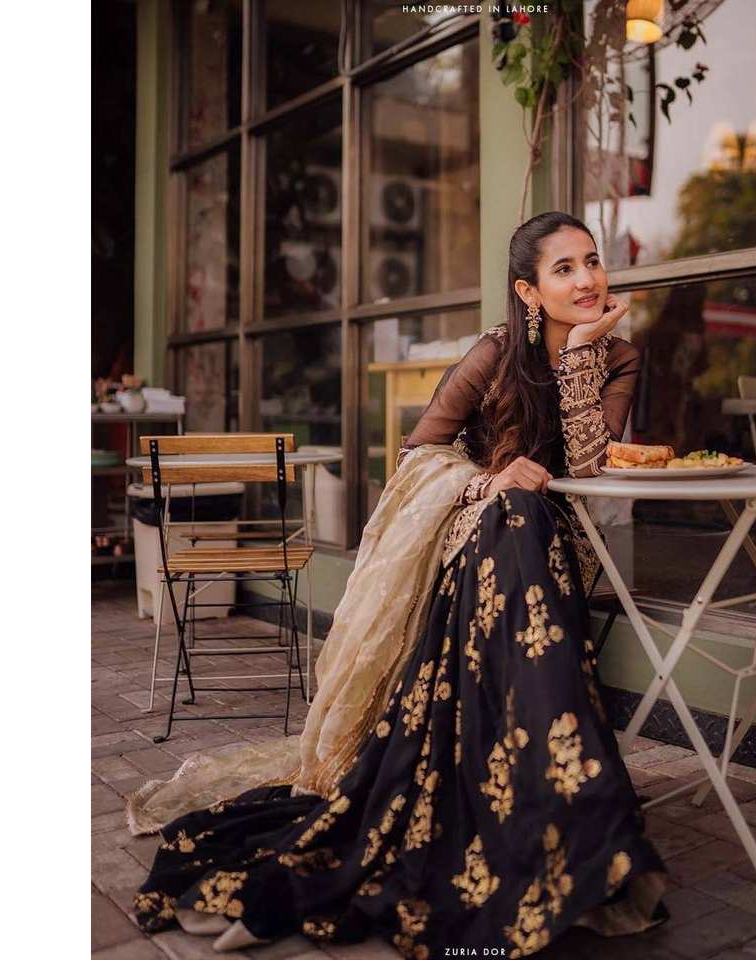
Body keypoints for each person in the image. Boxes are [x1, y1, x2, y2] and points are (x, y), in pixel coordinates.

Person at [130, 211, 668, 956]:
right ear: (527, 289)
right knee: (513, 510)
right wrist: (488, 482)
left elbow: (591, 467)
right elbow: (418, 455)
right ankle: (571, 803)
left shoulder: (619, 357)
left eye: (592, 262)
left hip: (558, 553)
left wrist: (579, 355)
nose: (586, 280)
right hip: (480, 541)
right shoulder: (495, 354)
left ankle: (558, 803)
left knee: (527, 516)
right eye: (564, 268)